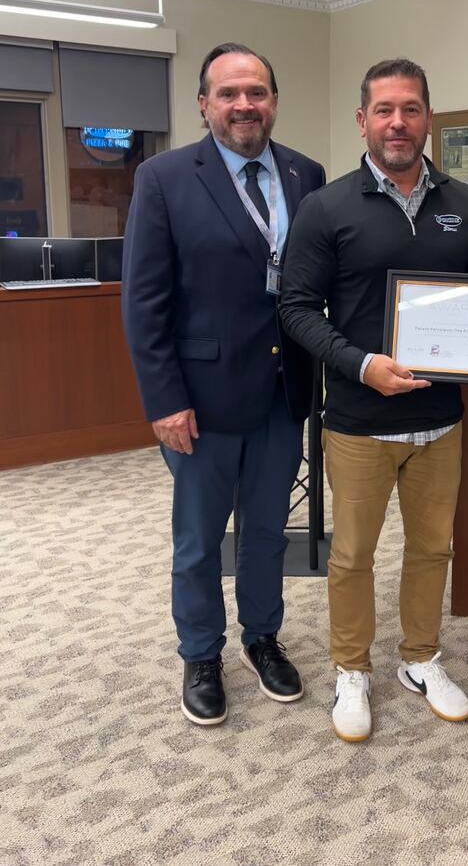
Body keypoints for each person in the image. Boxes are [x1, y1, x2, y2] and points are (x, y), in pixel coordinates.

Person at [279, 58, 468, 742]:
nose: (398, 122)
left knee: (430, 550)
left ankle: (420, 658)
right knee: (352, 555)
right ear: (363, 120)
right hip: (359, 420)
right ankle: (351, 668)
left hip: (441, 421)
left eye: (412, 108)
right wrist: (361, 365)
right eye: (385, 109)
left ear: (428, 118)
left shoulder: (464, 202)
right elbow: (298, 309)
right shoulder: (325, 207)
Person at [122, 43, 325, 726]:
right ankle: (200, 651)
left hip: (282, 388)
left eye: (258, 92)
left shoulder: (305, 173)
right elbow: (143, 302)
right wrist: (163, 399)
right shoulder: (165, 177)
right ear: (205, 103)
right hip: (200, 400)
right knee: (200, 538)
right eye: (230, 93)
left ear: (273, 99)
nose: (246, 105)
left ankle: (262, 638)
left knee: (268, 531)